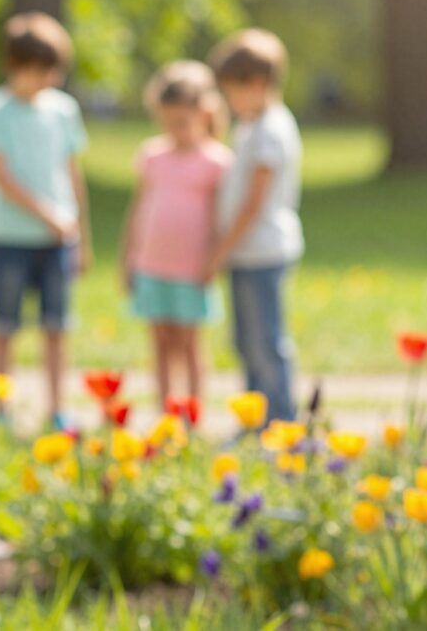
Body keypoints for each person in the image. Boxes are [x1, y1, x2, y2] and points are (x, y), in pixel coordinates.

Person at [0, 12, 92, 431]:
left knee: (57, 327)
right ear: (14, 66)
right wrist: (49, 216)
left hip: (59, 240)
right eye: (40, 70)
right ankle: (1, 408)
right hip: (11, 237)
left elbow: (73, 174)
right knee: (5, 326)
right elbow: (1, 177)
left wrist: (81, 235)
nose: (48, 79)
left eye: (53, 71)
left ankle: (57, 407)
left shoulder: (63, 110)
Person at [120, 61, 231, 420]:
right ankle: (166, 416)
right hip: (152, 265)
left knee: (189, 346)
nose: (174, 131)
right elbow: (138, 210)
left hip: (191, 268)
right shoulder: (152, 155)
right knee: (160, 345)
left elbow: (220, 219)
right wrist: (128, 260)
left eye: (182, 122)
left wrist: (214, 259)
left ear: (204, 114)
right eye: (167, 122)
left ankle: (193, 416)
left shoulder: (216, 161)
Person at [205, 29, 303, 424]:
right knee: (246, 341)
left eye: (232, 91)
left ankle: (277, 420)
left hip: (262, 250)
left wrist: (220, 249)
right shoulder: (251, 124)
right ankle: (254, 415)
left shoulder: (270, 131)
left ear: (257, 84)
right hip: (247, 252)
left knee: (266, 342)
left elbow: (253, 203)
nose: (229, 101)